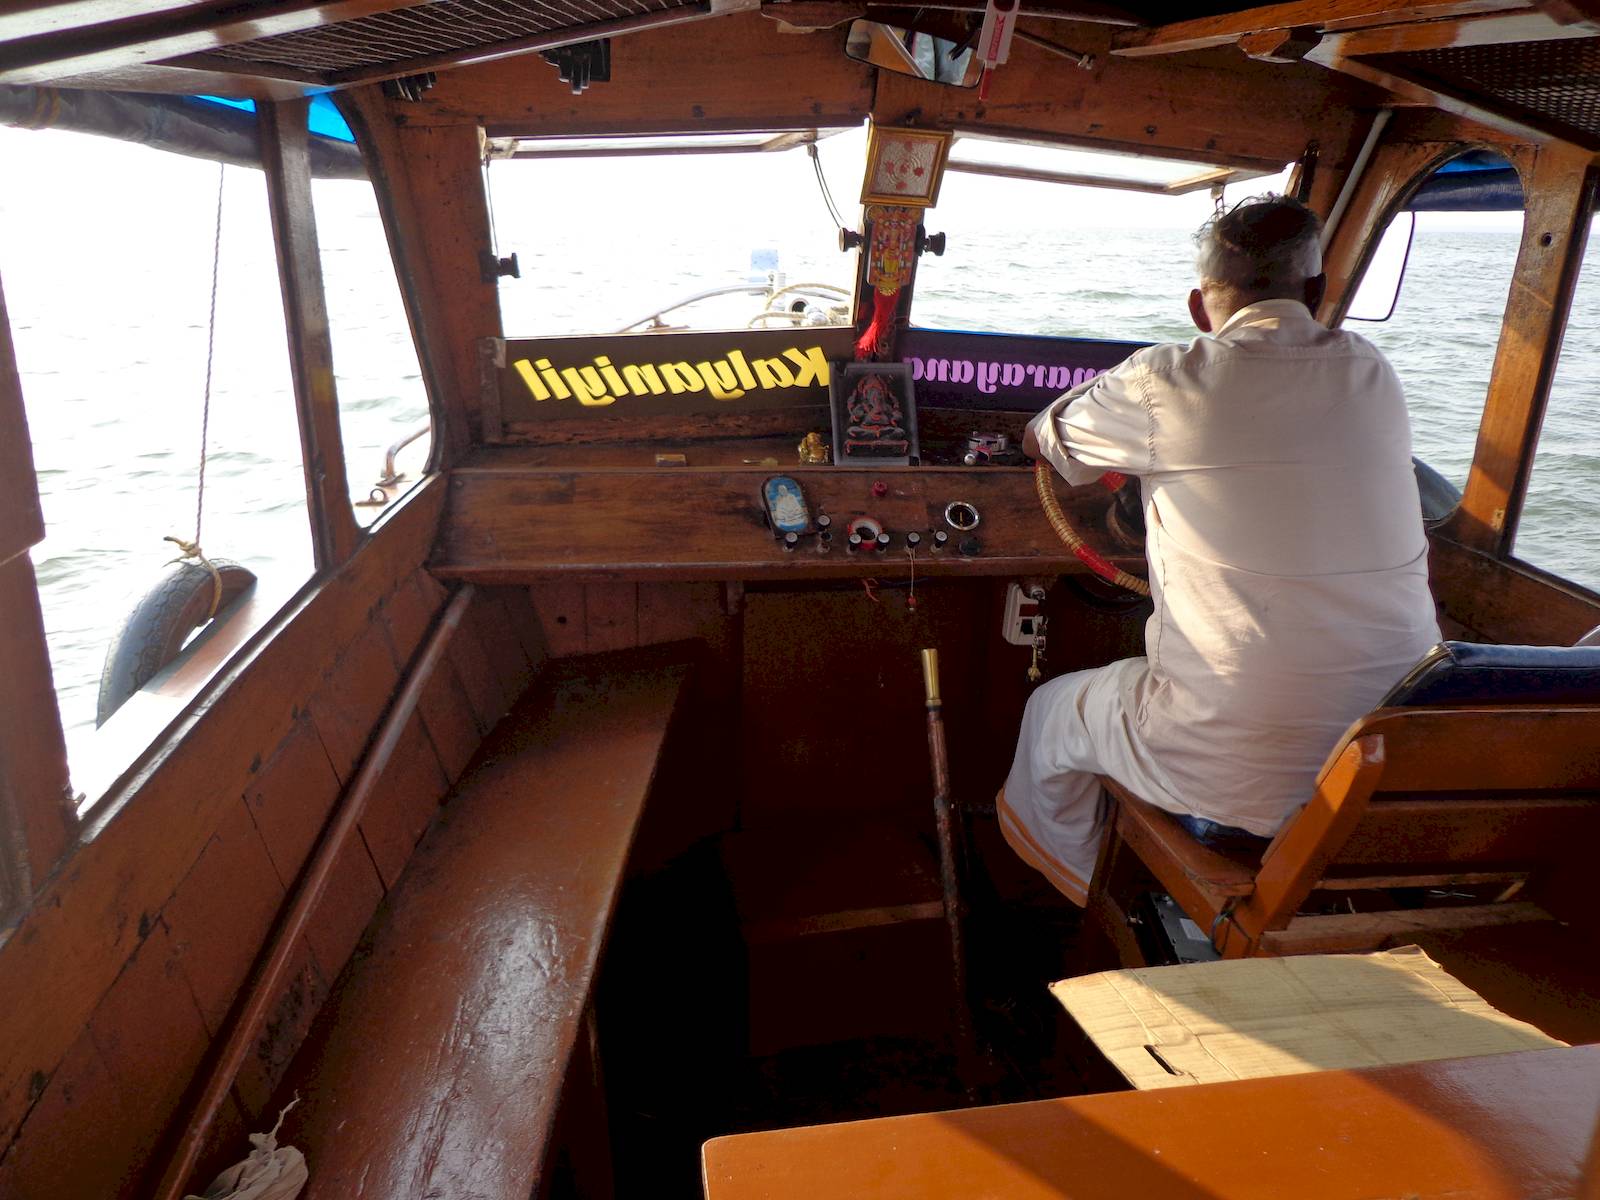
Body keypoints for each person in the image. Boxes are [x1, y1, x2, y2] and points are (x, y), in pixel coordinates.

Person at [1002, 194, 1441, 904]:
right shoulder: (1374, 373)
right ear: (1318, 291)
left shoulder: (1164, 379)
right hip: (1383, 752)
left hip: (1234, 768)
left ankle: (1085, 898)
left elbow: (1039, 438)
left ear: (1200, 308)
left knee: (1051, 711)